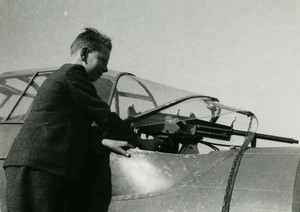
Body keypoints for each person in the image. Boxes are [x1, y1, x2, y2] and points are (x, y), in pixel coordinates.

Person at [3, 28, 150, 212]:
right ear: (84, 53)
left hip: (33, 165)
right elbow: (102, 114)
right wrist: (142, 143)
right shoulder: (74, 73)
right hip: (39, 166)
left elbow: (66, 127)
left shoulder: (62, 77)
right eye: (102, 60)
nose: (105, 69)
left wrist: (102, 141)